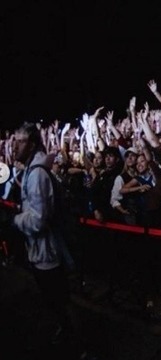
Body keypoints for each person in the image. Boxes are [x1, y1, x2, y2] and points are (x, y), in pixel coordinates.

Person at [11, 122, 87, 358]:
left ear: (32, 144)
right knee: (56, 300)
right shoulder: (31, 172)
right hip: (41, 250)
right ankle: (68, 335)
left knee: (60, 299)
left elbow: (38, 220)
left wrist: (16, 220)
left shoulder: (37, 176)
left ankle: (79, 346)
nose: (14, 146)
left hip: (48, 252)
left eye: (20, 141)